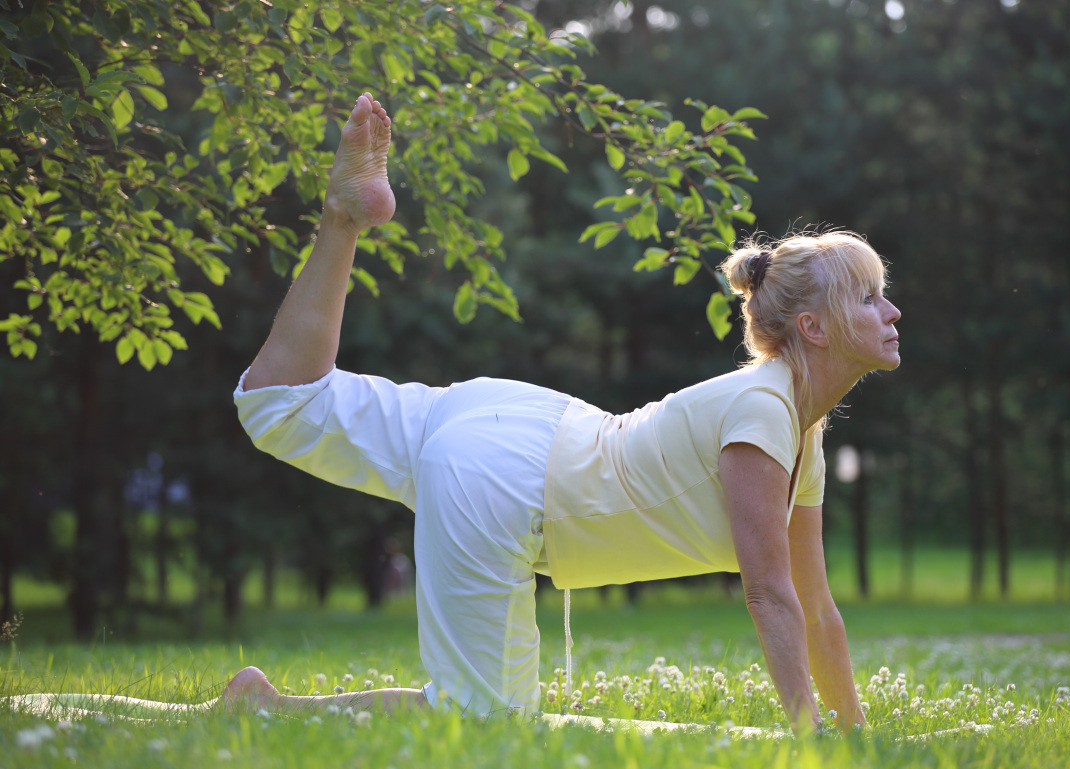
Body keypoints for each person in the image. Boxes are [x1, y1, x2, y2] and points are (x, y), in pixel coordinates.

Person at [221, 93, 902, 734]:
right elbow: (771, 597)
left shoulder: (798, 432)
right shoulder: (763, 412)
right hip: (510, 475)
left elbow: (816, 609)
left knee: (283, 404)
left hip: (516, 427)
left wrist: (854, 733)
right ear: (812, 327)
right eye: (870, 299)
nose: (892, 312)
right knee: (481, 723)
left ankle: (343, 220)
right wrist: (808, 740)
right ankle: (272, 714)